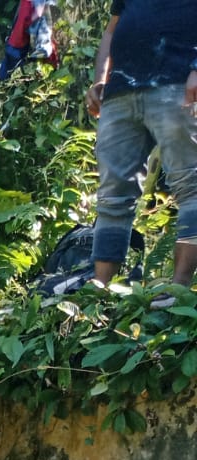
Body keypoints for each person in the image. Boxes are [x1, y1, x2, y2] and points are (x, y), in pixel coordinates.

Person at [86, 0, 197, 306]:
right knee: (112, 194)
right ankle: (99, 290)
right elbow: (111, 30)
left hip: (177, 85)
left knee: (191, 186)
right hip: (120, 93)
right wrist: (100, 78)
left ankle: (179, 289)